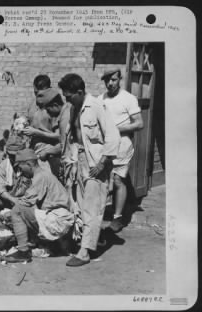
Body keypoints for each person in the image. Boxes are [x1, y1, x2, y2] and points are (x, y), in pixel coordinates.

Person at [47, 73, 120, 267]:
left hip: (96, 162)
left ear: (80, 92)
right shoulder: (74, 108)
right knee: (80, 204)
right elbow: (74, 138)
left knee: (92, 208)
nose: (67, 100)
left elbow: (113, 137)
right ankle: (86, 240)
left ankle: (85, 251)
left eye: (69, 96)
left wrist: (103, 163)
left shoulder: (96, 106)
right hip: (79, 160)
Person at [2, 149, 75, 263]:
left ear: (29, 164)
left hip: (59, 221)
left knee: (17, 211)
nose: (20, 171)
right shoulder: (43, 174)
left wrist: (7, 212)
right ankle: (53, 245)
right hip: (60, 218)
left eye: (21, 167)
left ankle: (23, 251)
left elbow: (26, 202)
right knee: (26, 211)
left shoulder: (40, 177)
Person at [99, 69, 144, 232]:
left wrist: (116, 129)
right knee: (103, 179)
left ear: (120, 80)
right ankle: (100, 212)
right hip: (105, 146)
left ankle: (118, 217)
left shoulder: (128, 99)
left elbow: (139, 123)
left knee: (118, 180)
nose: (110, 83)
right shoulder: (101, 99)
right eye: (107, 80)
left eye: (113, 80)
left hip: (122, 145)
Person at [23, 75, 61, 176]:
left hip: (49, 153)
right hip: (33, 150)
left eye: (41, 94)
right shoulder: (32, 105)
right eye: (35, 92)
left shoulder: (54, 108)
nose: (38, 96)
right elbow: (30, 123)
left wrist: (37, 132)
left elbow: (59, 135)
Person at [0, 136, 30, 211]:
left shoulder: (29, 164)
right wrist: (13, 200)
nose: (14, 158)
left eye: (16, 155)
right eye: (11, 156)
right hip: (9, 198)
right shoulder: (2, 167)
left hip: (25, 198)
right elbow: (1, 190)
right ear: (7, 153)